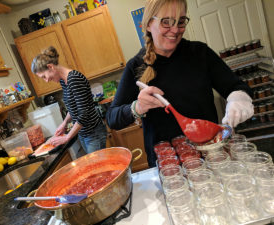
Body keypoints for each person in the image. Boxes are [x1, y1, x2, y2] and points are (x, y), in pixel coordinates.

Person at [106, 0, 253, 167]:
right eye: (166, 22)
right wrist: (137, 107)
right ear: (147, 25)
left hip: (210, 153)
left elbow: (236, 86)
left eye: (181, 21)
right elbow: (112, 118)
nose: (175, 30)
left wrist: (238, 99)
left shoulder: (200, 53)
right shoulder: (136, 66)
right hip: (168, 165)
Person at [31, 46, 107, 154]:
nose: (46, 80)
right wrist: (65, 123)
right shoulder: (63, 81)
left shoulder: (74, 78)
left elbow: (84, 113)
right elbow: (73, 107)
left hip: (94, 133)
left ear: (50, 67)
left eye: (44, 76)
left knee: (99, 168)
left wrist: (67, 137)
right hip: (83, 133)